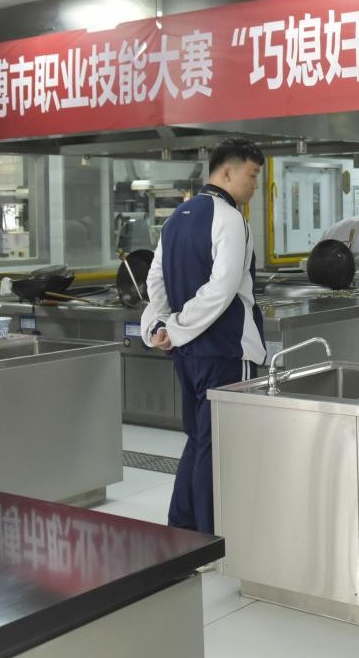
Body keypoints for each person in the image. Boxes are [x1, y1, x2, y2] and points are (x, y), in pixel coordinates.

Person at [140, 138, 266, 535]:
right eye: (252, 175)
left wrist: (163, 326)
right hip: (226, 351)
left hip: (187, 354)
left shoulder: (176, 217)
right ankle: (211, 538)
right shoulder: (230, 218)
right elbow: (222, 289)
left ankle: (182, 528)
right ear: (227, 172)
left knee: (198, 441)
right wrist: (175, 327)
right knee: (219, 448)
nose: (255, 186)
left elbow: (155, 281)